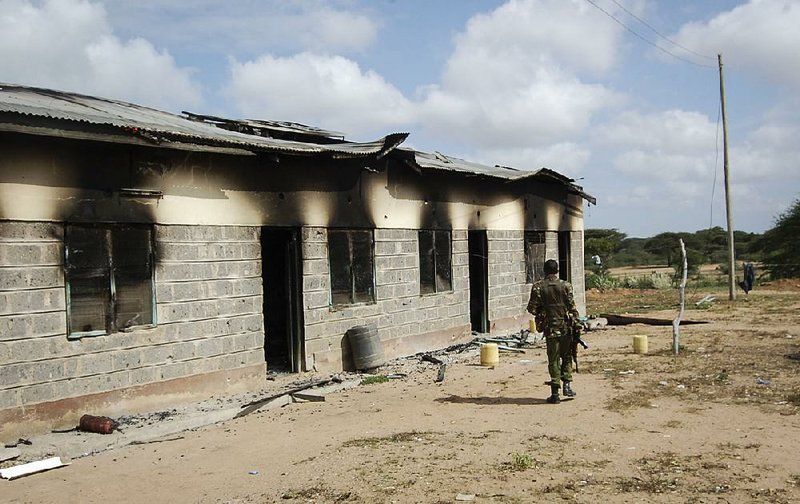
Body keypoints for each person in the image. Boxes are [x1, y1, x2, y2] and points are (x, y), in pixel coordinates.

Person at [526, 259, 580, 404]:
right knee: (567, 356)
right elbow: (573, 308)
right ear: (557, 270)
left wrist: (542, 312)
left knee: (553, 360)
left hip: (550, 329)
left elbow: (531, 309)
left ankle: (555, 393)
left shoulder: (538, 287)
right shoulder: (566, 285)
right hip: (565, 328)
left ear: (544, 271)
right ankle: (567, 385)